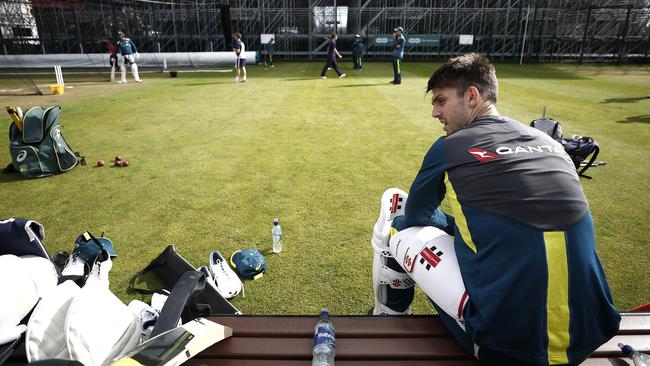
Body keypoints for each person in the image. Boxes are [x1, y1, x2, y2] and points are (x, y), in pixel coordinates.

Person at [371, 53, 620, 366]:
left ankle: (387, 314)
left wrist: (448, 224)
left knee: (399, 218)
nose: (435, 112)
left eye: (441, 101)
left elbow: (419, 217)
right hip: (592, 333)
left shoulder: (448, 146)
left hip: (506, 348)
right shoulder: (549, 141)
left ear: (472, 95)